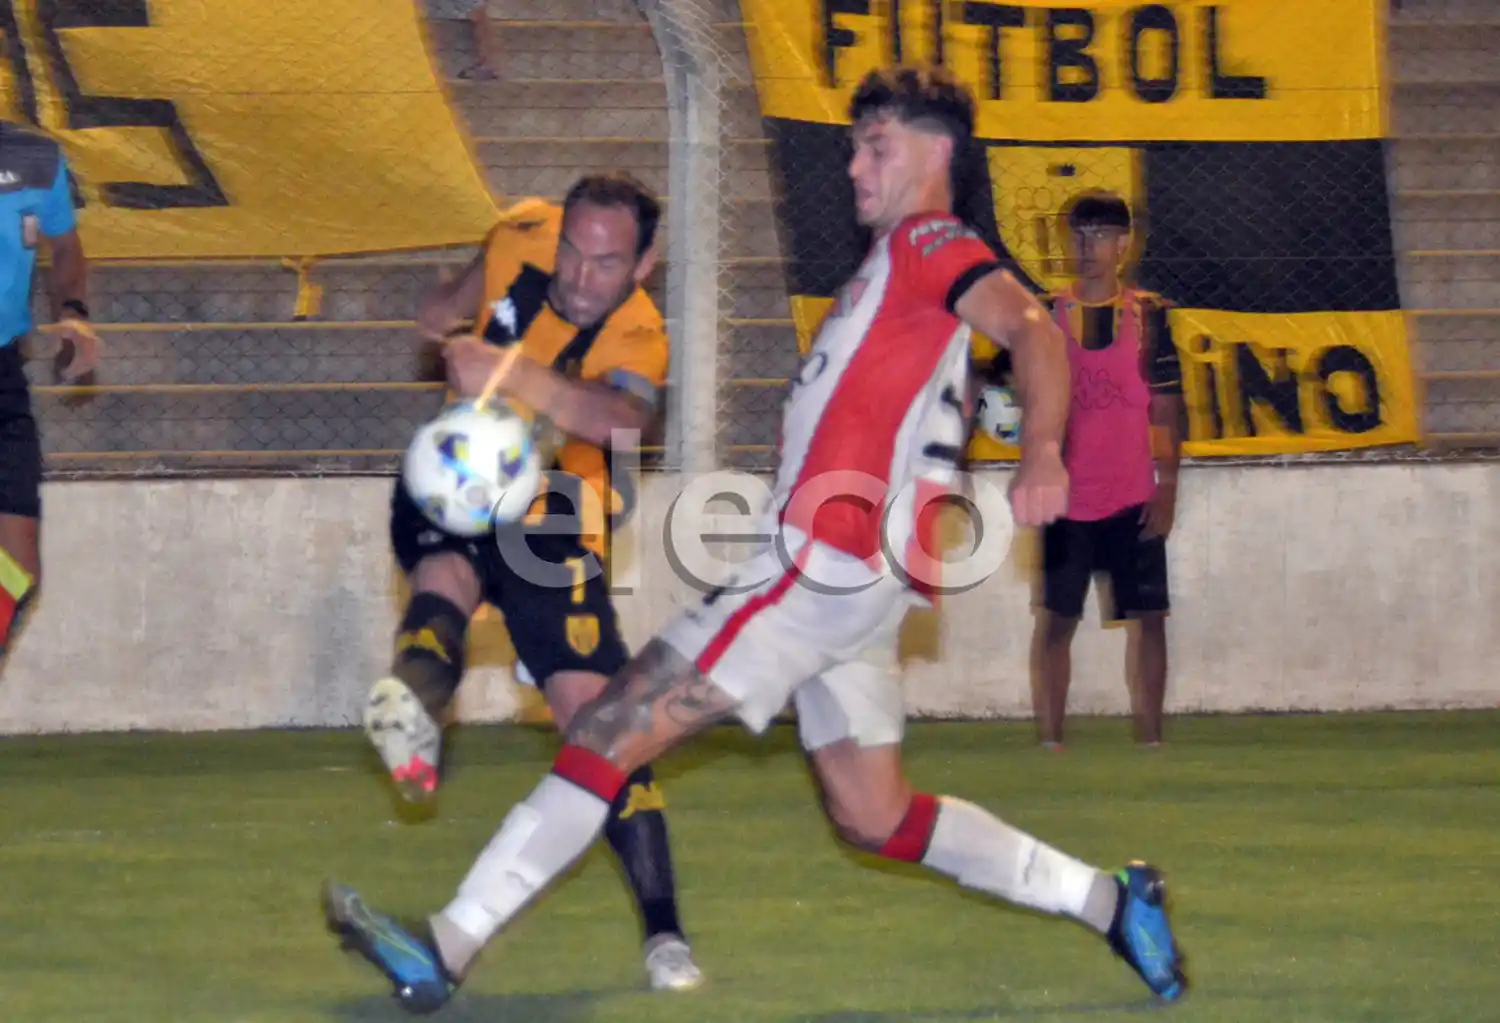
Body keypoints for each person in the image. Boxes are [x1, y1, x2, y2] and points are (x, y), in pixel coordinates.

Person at [322, 68, 1187, 1014]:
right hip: (867, 581)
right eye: (854, 147)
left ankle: (446, 945)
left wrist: (1046, 451)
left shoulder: (928, 242)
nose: (854, 166)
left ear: (938, 153)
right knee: (874, 813)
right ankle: (1113, 902)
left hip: (822, 563)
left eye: (877, 146)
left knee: (608, 728)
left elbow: (1034, 329)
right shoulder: (898, 271)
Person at [365, 172, 701, 991]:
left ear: (644, 263)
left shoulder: (639, 333)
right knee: (444, 573)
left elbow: (619, 420)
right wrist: (445, 318)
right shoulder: (519, 234)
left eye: (607, 263)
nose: (580, 277)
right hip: (459, 475)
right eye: (572, 252)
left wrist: (507, 369)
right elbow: (446, 304)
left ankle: (664, 934)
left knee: (600, 727)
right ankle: (415, 712)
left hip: (554, 518)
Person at [1027, 192, 1184, 749]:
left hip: (1133, 496)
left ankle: (1150, 740)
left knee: (1149, 618)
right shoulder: (1045, 315)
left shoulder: (1149, 317)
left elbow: (1165, 409)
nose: (1087, 246)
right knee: (1056, 621)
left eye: (1100, 234)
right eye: (1079, 234)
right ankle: (1051, 741)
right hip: (1066, 499)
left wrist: (1167, 488)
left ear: (1123, 244)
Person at [0, 121, 100, 660]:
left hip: (3, 373)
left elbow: (65, 248)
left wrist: (74, 313)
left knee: (19, 570)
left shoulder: (35, 158)